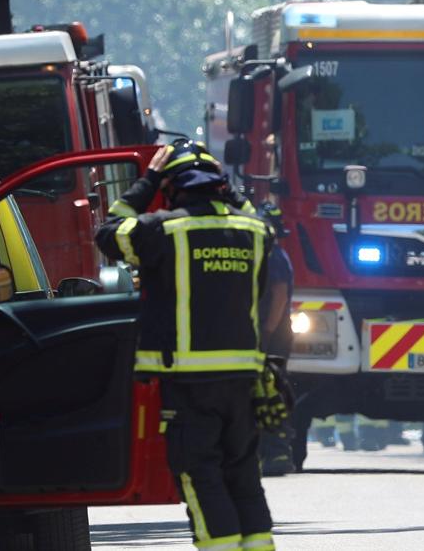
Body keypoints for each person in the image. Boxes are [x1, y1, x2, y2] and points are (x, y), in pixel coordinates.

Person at [96, 140, 276, 551]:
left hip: (188, 380)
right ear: (218, 186)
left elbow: (108, 232)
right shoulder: (256, 232)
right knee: (244, 474)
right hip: (244, 378)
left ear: (174, 187)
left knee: (200, 474)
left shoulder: (162, 230)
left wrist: (149, 180)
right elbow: (258, 228)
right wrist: (230, 191)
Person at [257, 203, 295, 477]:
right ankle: (273, 451)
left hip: (273, 335)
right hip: (276, 334)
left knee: (269, 392)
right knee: (271, 391)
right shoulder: (277, 252)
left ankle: (276, 452)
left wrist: (267, 333)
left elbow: (279, 294)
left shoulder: (272, 255)